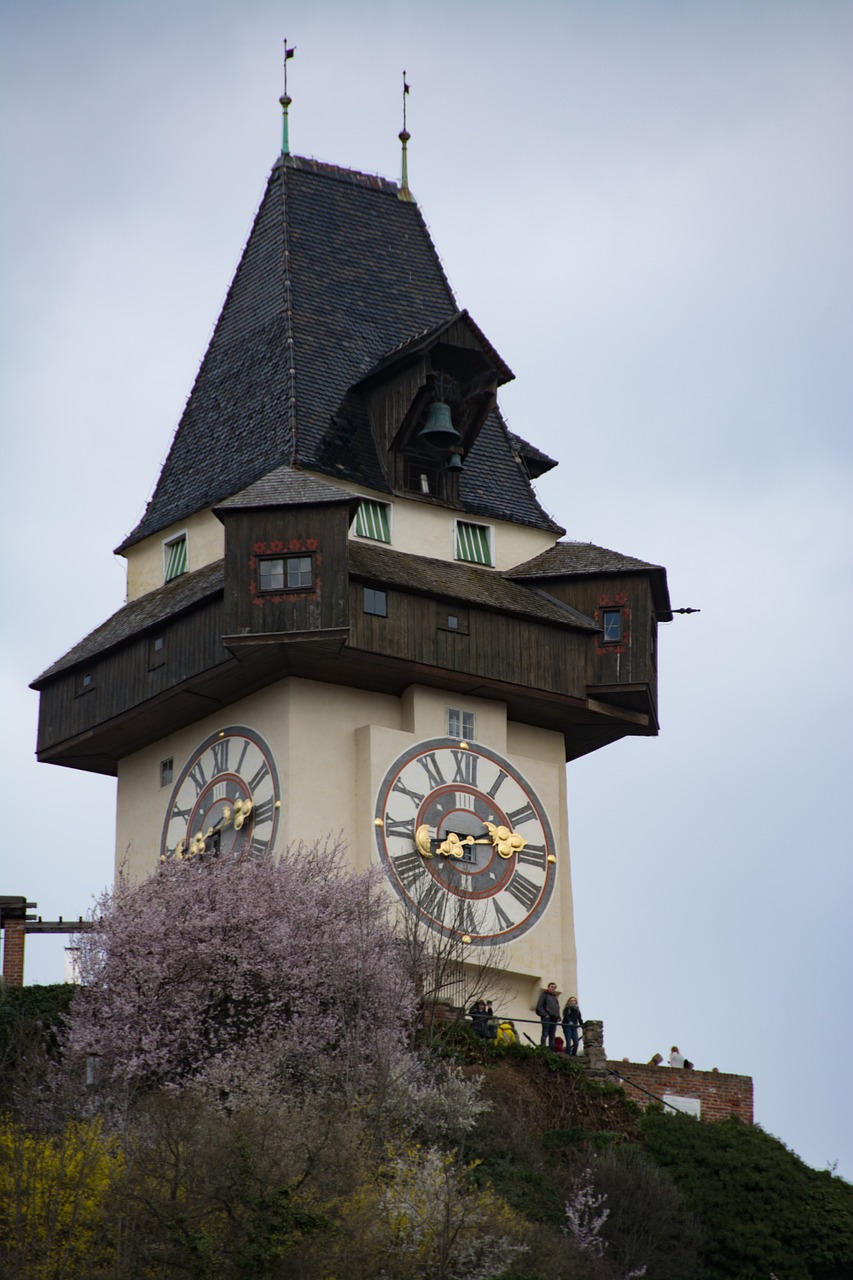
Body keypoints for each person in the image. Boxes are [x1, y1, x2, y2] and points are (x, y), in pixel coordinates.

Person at [536, 982, 560, 1050]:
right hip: (547, 1018)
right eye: (552, 986)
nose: (553, 988)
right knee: (545, 1034)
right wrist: (545, 1015)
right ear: (548, 987)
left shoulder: (555, 998)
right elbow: (539, 1006)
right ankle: (543, 1049)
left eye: (554, 987)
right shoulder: (544, 995)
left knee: (552, 1036)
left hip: (554, 1019)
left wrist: (558, 1017)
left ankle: (551, 1051)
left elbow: (557, 1008)